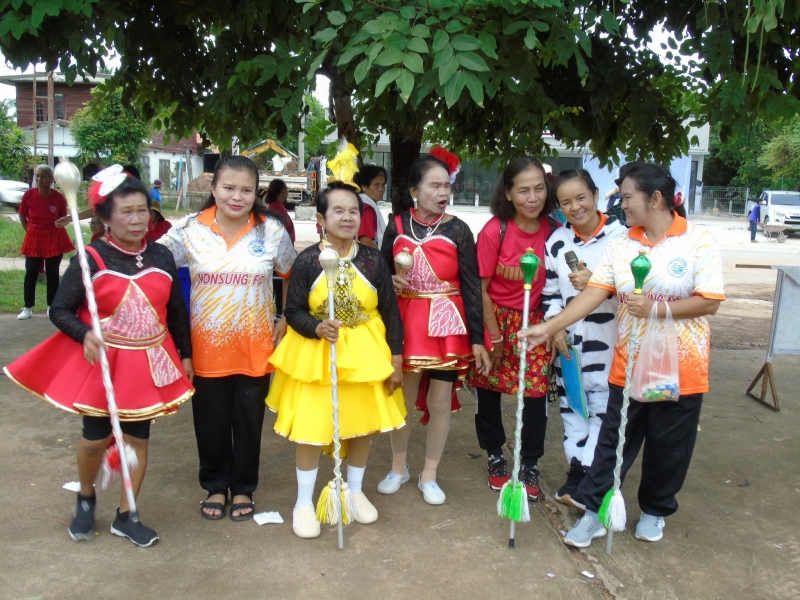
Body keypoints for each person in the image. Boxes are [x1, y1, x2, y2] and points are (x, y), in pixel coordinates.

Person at [518, 162, 724, 547]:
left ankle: (655, 510)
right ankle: (595, 512)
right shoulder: (623, 244)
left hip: (682, 367)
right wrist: (548, 327)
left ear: (655, 198)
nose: (622, 204)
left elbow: (709, 301)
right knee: (613, 443)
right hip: (629, 365)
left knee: (668, 446)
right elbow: (595, 292)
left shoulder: (698, 240)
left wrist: (659, 309)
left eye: (628, 197)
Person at [4, 172, 194, 547]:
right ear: (105, 217)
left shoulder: (162, 255)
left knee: (137, 440)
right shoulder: (91, 257)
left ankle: (127, 514)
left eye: (142, 210)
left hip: (147, 364)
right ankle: (86, 497)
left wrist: (185, 355)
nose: (137, 219)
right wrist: (84, 334)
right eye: (126, 212)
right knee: (96, 440)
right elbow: (60, 309)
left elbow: (175, 312)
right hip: (104, 365)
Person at [266, 179, 406, 539]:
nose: (347, 217)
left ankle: (354, 491)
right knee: (312, 428)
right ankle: (303, 502)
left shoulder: (373, 260)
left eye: (354, 211)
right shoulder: (308, 260)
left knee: (361, 425)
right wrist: (316, 327)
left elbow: (391, 313)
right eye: (338, 211)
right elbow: (292, 310)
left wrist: (396, 359)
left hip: (365, 353)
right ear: (321, 218)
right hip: (317, 353)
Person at [159, 155, 296, 521]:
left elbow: (292, 273)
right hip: (204, 349)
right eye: (229, 188)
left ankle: (244, 488)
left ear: (257, 193)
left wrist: (285, 317)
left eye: (246, 190)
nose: (237, 197)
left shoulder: (271, 230)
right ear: (214, 188)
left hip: (255, 346)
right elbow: (154, 264)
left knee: (248, 422)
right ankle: (216, 486)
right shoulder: (189, 229)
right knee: (211, 421)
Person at [378, 147, 491, 505]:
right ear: (414, 190)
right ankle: (398, 467)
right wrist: (389, 281)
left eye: (447, 186)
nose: (443, 193)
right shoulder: (396, 225)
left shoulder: (459, 229)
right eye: (435, 186)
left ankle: (429, 473)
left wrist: (477, 338)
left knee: (440, 402)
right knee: (402, 399)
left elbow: (472, 285)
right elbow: (380, 272)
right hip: (406, 323)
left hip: (447, 326)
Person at [468, 157, 558, 501]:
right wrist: (494, 336)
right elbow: (481, 288)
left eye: (539, 189)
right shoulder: (495, 231)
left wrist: (555, 326)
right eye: (523, 191)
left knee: (535, 394)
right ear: (508, 193)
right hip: (495, 318)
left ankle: (529, 462)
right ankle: (494, 455)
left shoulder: (554, 230)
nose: (532, 198)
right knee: (487, 389)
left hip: (537, 322)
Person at [541, 170, 627, 506]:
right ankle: (576, 471)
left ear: (595, 195)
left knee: (605, 412)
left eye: (581, 198)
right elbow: (550, 293)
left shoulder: (623, 238)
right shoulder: (556, 241)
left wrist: (600, 283)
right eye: (565, 202)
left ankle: (593, 475)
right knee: (573, 409)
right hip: (571, 345)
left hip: (611, 343)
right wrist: (555, 326)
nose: (575, 207)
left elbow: (637, 292)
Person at [17, 165, 75, 319]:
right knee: (31, 271)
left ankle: (51, 307)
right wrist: (29, 230)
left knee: (52, 272)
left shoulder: (58, 198)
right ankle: (27, 308)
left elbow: (62, 218)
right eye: (37, 176)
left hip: (54, 238)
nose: (39, 179)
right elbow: (22, 214)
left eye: (42, 176)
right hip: (34, 238)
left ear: (51, 179)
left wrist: (58, 224)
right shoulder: (29, 195)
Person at [353, 164, 388, 249]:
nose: (381, 189)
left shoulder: (360, 202)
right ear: (364, 187)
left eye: (383, 185)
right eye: (376, 185)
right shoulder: (366, 208)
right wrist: (381, 256)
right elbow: (365, 242)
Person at [262, 179, 296, 243]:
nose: (287, 193)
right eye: (287, 190)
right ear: (282, 190)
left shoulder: (278, 205)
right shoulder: (275, 207)